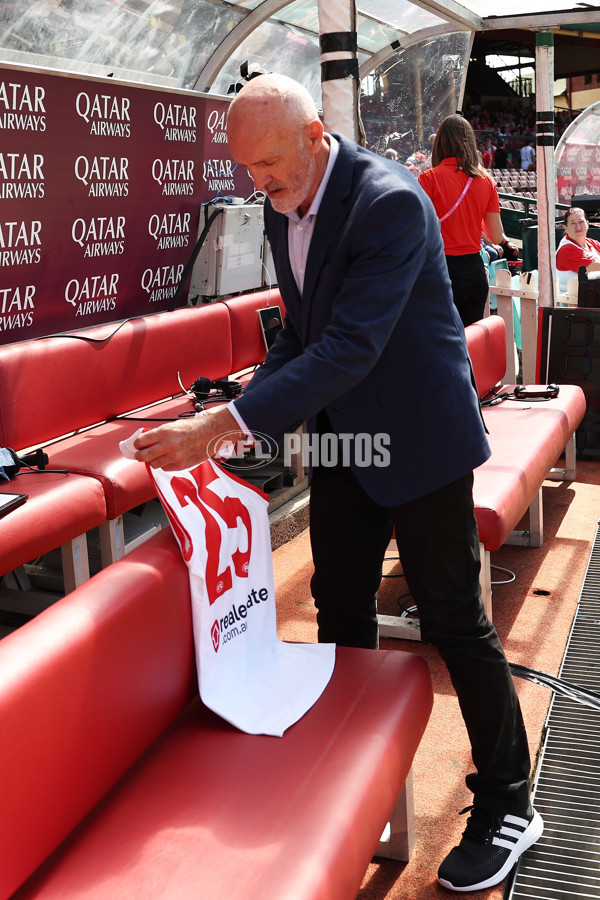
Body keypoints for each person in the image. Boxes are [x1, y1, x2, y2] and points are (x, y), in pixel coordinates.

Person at [133, 74, 543, 893]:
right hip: (349, 440)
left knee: (455, 618)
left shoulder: (387, 201)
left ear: (317, 135)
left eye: (273, 164)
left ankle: (508, 800)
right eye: (248, 171)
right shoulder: (290, 205)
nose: (263, 185)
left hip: (418, 440)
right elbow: (301, 337)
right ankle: (348, 761)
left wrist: (220, 428)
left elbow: (350, 345)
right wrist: (239, 409)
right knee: (341, 600)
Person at [418, 115, 508, 326]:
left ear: (440, 142)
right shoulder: (486, 181)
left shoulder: (429, 178)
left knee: (441, 342)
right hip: (475, 270)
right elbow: (495, 235)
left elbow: (417, 229)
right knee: (469, 345)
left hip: (442, 270)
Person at [556, 206, 600, 292]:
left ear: (587, 224)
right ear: (565, 228)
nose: (578, 227)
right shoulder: (566, 249)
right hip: (570, 302)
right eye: (573, 223)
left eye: (581, 222)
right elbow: (596, 267)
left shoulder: (591, 242)